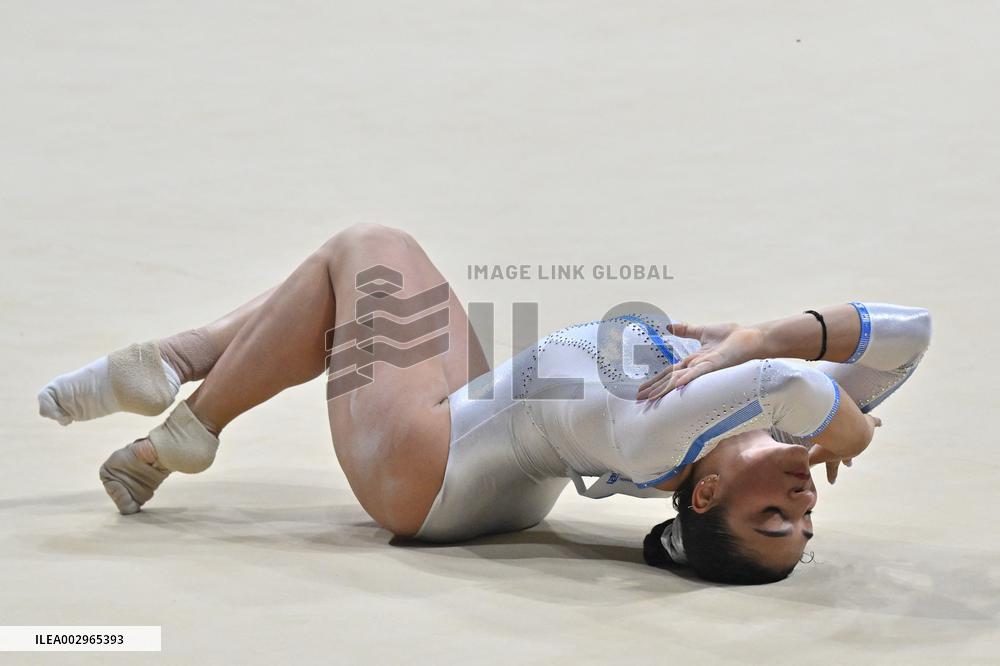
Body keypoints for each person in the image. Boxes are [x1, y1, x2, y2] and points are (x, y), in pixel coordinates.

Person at [37, 224, 931, 585]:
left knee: (368, 249)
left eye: (774, 517)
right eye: (803, 522)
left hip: (431, 474)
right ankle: (170, 379)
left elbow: (802, 384)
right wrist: (765, 348)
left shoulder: (680, 430)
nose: (806, 503)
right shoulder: (733, 416)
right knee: (338, 301)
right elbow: (906, 333)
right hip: (486, 450)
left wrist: (828, 406)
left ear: (702, 498)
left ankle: (190, 413)